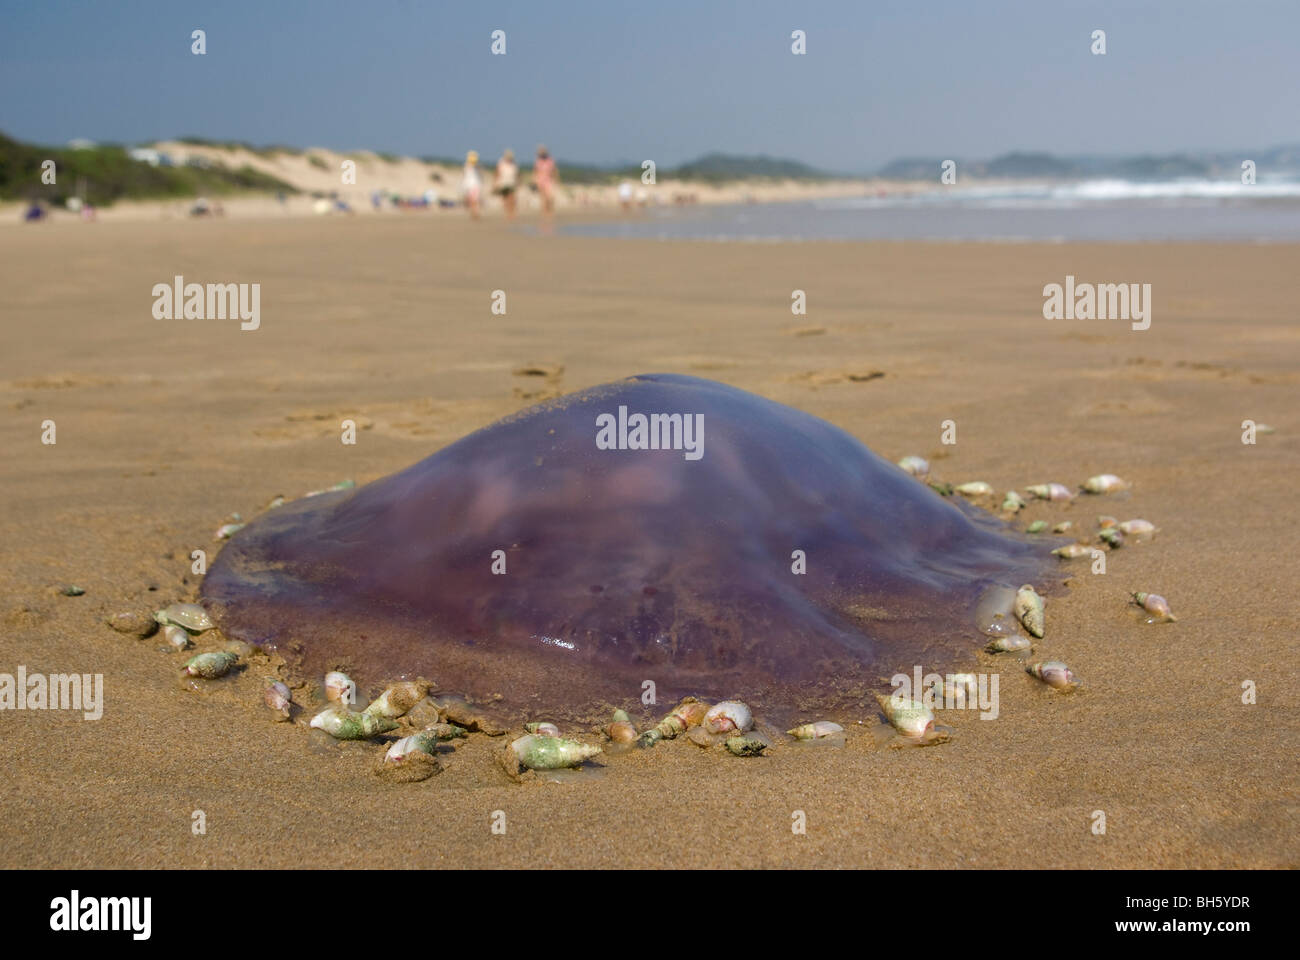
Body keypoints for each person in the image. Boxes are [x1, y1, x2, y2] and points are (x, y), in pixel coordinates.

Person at [494, 149, 519, 219]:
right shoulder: (501, 162)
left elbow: (517, 173)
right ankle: (507, 212)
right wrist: (496, 183)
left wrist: (518, 181)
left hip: (511, 182)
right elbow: (497, 173)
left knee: (512, 198)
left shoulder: (514, 163)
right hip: (503, 183)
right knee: (505, 198)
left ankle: (511, 212)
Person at [534, 145, 558, 217]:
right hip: (540, 180)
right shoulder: (538, 161)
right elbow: (535, 171)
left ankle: (550, 211)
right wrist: (535, 181)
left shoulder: (550, 161)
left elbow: (554, 170)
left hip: (549, 180)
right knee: (543, 197)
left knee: (550, 197)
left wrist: (556, 179)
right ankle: (545, 212)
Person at [462, 150, 482, 219]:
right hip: (469, 185)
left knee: (474, 200)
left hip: (475, 185)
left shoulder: (476, 165)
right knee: (472, 200)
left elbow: (479, 174)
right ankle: (474, 212)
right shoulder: (467, 165)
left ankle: (475, 212)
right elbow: (465, 175)